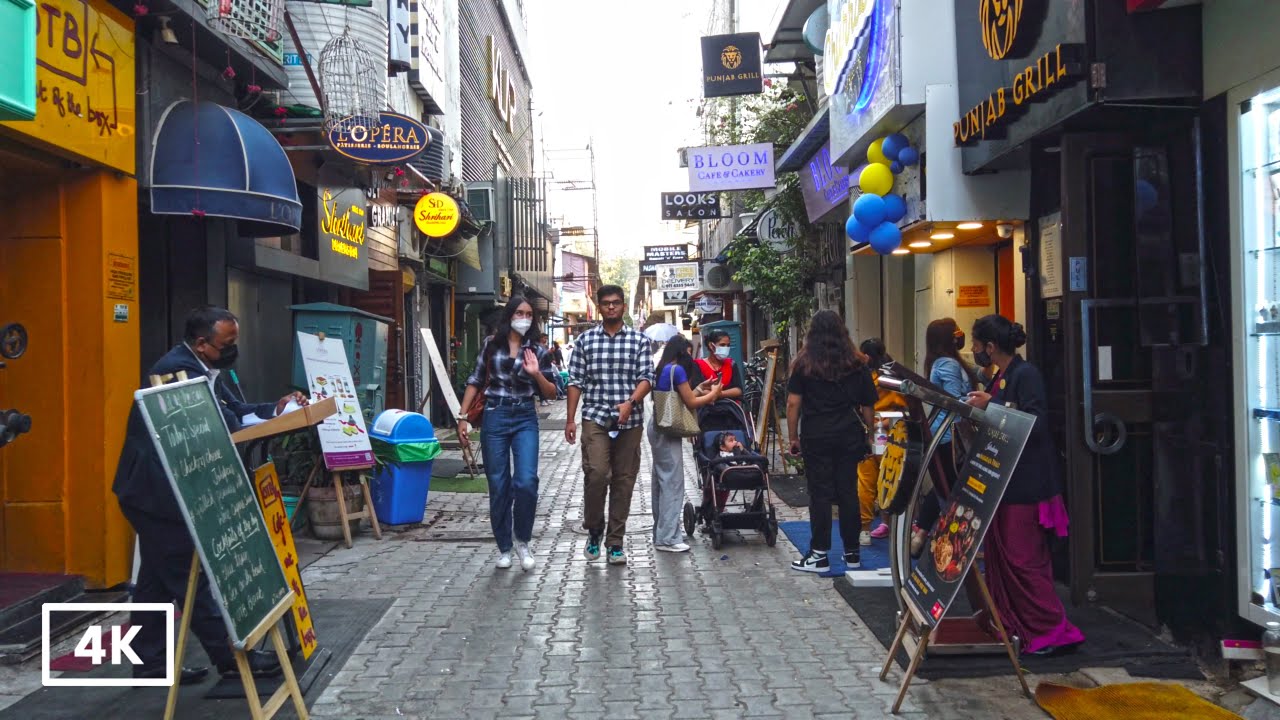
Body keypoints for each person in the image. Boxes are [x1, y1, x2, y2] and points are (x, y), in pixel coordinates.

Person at [113, 306, 303, 683]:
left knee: (155, 577)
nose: (232, 350)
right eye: (226, 344)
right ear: (202, 344)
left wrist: (276, 410)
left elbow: (235, 413)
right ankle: (231, 659)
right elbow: (204, 429)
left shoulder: (206, 369)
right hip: (157, 493)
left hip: (164, 491)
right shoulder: (172, 373)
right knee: (188, 576)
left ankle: (149, 663)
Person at [964, 314, 1084, 655]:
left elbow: (1035, 422)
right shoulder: (1001, 376)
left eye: (976, 344)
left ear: (990, 346)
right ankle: (1012, 622)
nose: (973, 350)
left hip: (1029, 483)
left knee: (1023, 560)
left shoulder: (1025, 374)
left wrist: (992, 406)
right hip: (1006, 480)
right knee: (1005, 558)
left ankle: (1050, 631)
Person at [458, 297, 558, 571]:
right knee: (498, 485)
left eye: (528, 314)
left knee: (526, 481)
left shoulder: (537, 350)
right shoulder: (492, 344)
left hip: (525, 416)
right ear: (509, 316)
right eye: (519, 313)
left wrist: (536, 374)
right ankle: (504, 546)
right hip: (495, 415)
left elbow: (552, 392)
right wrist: (462, 417)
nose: (524, 318)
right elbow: (476, 380)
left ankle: (522, 540)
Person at [565, 285, 654, 565]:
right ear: (600, 307)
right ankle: (594, 529)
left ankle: (615, 542)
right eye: (606, 303)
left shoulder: (639, 341)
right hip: (596, 417)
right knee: (597, 474)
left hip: (631, 420)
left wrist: (630, 403)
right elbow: (575, 381)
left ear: (624, 307)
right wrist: (570, 419)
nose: (611, 307)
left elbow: (647, 378)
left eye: (616, 303)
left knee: (624, 480)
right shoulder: (585, 341)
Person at [785, 311, 878, 572]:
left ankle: (819, 554)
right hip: (849, 435)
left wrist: (793, 437)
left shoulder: (804, 363)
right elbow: (868, 404)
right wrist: (870, 434)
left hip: (816, 435)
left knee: (820, 494)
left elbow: (793, 403)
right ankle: (852, 553)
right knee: (848, 492)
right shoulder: (857, 363)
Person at [648, 335, 722, 553]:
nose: (691, 356)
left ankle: (661, 532)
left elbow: (681, 397)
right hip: (667, 430)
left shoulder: (664, 368)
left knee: (661, 481)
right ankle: (668, 538)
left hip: (658, 425)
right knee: (672, 483)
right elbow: (690, 402)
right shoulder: (678, 370)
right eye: (689, 352)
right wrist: (713, 393)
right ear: (682, 351)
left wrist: (700, 388)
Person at [911, 319, 978, 556]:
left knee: (946, 487)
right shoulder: (948, 363)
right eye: (955, 332)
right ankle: (946, 539)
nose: (959, 335)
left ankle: (923, 534)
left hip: (947, 434)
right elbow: (952, 399)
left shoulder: (942, 362)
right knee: (952, 488)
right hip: (951, 435)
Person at [855, 338, 907, 546]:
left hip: (869, 435)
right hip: (891, 436)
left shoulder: (863, 378)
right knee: (891, 481)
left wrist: (874, 424)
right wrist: (885, 422)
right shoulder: (893, 378)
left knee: (866, 482)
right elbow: (903, 409)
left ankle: (865, 529)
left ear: (866, 356)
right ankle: (893, 524)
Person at [691, 330, 743, 402]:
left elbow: (738, 390)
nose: (726, 348)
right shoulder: (698, 365)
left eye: (728, 345)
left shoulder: (731, 364)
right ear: (711, 346)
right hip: (705, 408)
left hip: (730, 408)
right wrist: (715, 394)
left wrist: (720, 394)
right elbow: (696, 390)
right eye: (722, 345)